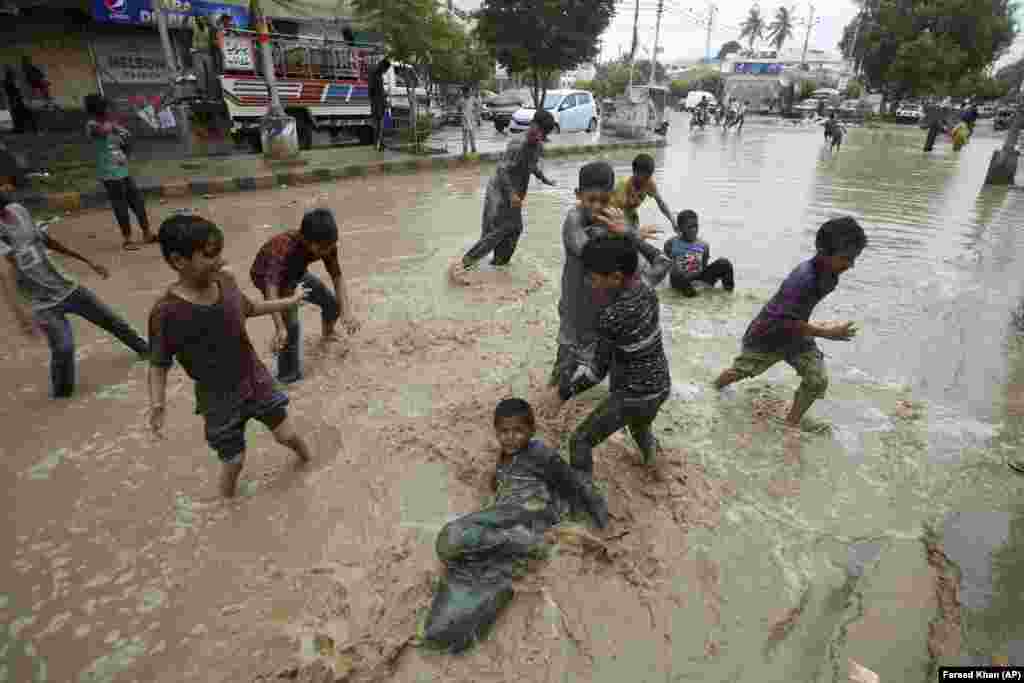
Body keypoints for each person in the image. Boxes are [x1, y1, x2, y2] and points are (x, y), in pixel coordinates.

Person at [148, 214, 314, 498]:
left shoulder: (226, 284)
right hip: (218, 398)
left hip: (255, 379)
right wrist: (158, 403)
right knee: (234, 462)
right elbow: (158, 364)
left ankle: (311, 464)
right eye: (209, 255)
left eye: (220, 252)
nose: (220, 260)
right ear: (178, 261)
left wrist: (291, 301)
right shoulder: (166, 313)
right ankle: (226, 508)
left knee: (287, 436)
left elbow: (251, 308)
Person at [422, 398, 607, 652]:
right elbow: (499, 488)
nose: (510, 438)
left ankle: (533, 544)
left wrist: (592, 518)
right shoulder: (504, 457)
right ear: (496, 431)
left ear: (532, 431)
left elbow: (572, 483)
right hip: (507, 520)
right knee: (439, 629)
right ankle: (523, 548)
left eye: (518, 431)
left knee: (450, 539)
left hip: (527, 516)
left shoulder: (540, 453)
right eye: (504, 432)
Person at [712, 217, 867, 427]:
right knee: (742, 371)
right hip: (768, 335)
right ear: (823, 252)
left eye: (854, 258)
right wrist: (825, 332)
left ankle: (791, 424)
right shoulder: (804, 278)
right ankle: (712, 389)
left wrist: (816, 327)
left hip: (796, 334)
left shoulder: (831, 275)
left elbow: (797, 314)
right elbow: (785, 320)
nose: (851, 265)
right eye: (846, 258)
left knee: (817, 379)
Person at [0, 194, 149, 399]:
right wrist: (21, 316)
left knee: (113, 320)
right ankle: (62, 396)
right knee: (63, 348)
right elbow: (6, 277)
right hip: (42, 304)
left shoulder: (18, 210)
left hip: (67, 287)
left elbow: (47, 240)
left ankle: (147, 352)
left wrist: (87, 261)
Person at [548, 161, 671, 401]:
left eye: (603, 201)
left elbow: (631, 265)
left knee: (607, 369)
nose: (596, 207)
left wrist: (628, 233)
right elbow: (592, 254)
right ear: (577, 195)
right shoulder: (574, 220)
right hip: (576, 311)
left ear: (612, 197)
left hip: (605, 315)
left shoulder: (615, 219)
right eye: (590, 200)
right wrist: (627, 235)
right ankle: (552, 399)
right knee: (565, 366)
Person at [555, 237, 672, 478]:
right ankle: (654, 465)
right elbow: (663, 259)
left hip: (634, 395)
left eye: (592, 277)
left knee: (580, 442)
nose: (588, 282)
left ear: (616, 278)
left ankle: (583, 502)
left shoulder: (612, 316)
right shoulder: (646, 284)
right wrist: (630, 234)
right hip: (660, 386)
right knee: (640, 426)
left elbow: (597, 372)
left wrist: (563, 393)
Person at [249, 208, 358, 384]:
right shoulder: (283, 248)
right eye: (323, 248)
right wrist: (279, 326)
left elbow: (337, 278)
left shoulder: (327, 245)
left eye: (331, 246)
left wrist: (346, 311)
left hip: (295, 274)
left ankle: (328, 334)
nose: (328, 251)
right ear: (306, 240)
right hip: (269, 279)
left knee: (332, 304)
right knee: (291, 328)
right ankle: (288, 377)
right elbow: (271, 290)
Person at [448, 110, 558, 284]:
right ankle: (463, 265)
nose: (540, 137)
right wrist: (512, 194)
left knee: (510, 229)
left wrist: (544, 179)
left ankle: (498, 265)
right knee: (500, 229)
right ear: (533, 125)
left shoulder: (537, 145)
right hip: (500, 191)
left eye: (543, 135)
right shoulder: (518, 144)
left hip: (514, 194)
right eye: (539, 132)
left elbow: (531, 164)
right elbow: (502, 170)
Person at [84, 94, 154, 251]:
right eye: (107, 107)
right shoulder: (92, 125)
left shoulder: (112, 124)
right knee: (120, 205)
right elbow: (102, 131)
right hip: (109, 173)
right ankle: (127, 239)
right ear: (99, 109)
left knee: (137, 201)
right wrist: (116, 128)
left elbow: (125, 143)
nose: (110, 110)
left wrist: (125, 143)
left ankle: (147, 233)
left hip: (123, 169)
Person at [664, 209, 734, 297]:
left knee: (724, 263)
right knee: (675, 273)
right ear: (681, 228)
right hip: (680, 280)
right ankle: (691, 295)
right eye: (690, 227)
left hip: (699, 278)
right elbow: (665, 265)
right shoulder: (671, 243)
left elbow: (704, 266)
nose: (694, 230)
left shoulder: (703, 245)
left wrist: (700, 281)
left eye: (696, 226)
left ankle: (728, 294)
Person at [609, 153, 677, 231]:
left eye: (649, 176)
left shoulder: (649, 183)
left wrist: (673, 220)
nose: (647, 180)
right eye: (645, 177)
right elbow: (614, 210)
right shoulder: (623, 185)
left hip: (631, 218)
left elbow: (661, 203)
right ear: (635, 172)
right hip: (615, 218)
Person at [4, 66, 36, 135]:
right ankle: (22, 129)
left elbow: (14, 93)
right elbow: (13, 94)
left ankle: (20, 129)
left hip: (16, 102)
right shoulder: (9, 83)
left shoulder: (9, 83)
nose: (14, 76)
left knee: (20, 116)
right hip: (16, 102)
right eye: (12, 75)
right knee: (24, 115)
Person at [369, 57, 391, 151]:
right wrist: (384, 101)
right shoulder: (377, 76)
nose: (386, 71)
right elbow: (377, 92)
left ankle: (379, 144)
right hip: (378, 104)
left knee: (378, 126)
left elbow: (372, 92)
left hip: (376, 104)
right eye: (386, 69)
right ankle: (377, 145)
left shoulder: (375, 75)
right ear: (383, 67)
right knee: (379, 126)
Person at [460, 86, 477, 156]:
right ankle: (465, 150)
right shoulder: (461, 100)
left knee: (472, 136)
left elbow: (477, 106)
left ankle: (473, 149)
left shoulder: (472, 99)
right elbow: (459, 108)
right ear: (465, 93)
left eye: (470, 92)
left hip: (472, 120)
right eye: (469, 92)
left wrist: (475, 114)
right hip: (464, 120)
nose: (470, 93)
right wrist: (462, 114)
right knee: (465, 137)